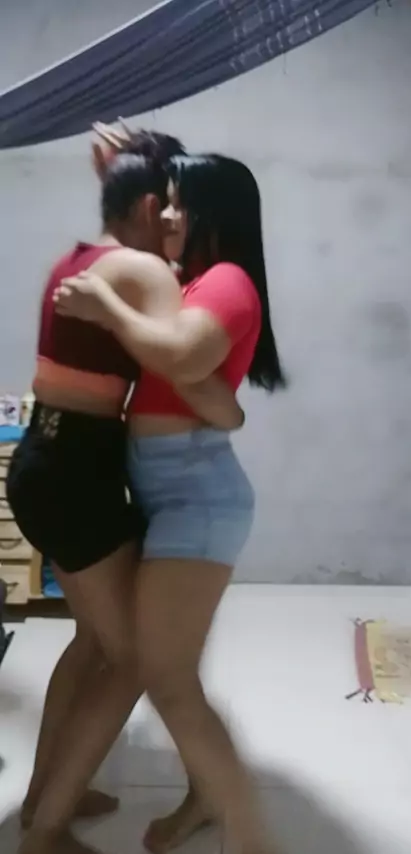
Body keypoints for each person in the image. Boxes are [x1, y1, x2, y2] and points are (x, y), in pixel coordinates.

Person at [10, 144, 245, 854]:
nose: (174, 221)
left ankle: (45, 795)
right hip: (78, 475)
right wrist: (229, 410)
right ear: (148, 205)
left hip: (43, 460)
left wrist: (126, 174)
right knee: (135, 657)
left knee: (92, 642)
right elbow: (182, 355)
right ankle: (47, 831)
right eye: (166, 205)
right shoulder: (141, 272)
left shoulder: (74, 261)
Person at [50, 153, 286, 854]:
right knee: (170, 673)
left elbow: (180, 357)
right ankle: (206, 801)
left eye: (181, 203)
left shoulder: (229, 279)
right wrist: (121, 176)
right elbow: (190, 374)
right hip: (169, 490)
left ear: (217, 211)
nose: (170, 215)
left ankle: (255, 842)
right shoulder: (191, 280)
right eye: (165, 202)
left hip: (195, 495)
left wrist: (108, 308)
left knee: (168, 679)